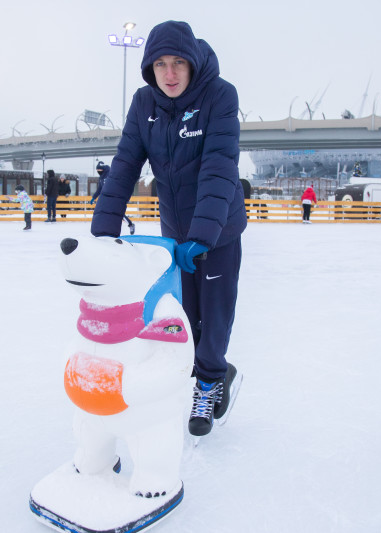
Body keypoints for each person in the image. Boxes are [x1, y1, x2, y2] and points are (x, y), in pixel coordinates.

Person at [90, 20, 245, 437]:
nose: (170, 73)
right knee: (182, 314)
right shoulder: (144, 104)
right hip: (175, 231)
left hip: (219, 230)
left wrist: (203, 236)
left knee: (214, 313)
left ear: (192, 63)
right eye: (160, 64)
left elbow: (218, 167)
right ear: (149, 68)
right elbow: (125, 165)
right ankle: (199, 372)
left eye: (178, 62)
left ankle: (210, 382)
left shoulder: (220, 95)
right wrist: (103, 230)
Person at [90, 161, 135, 235]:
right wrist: (93, 197)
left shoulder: (111, 174)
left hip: (114, 197)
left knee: (117, 213)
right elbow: (99, 189)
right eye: (97, 170)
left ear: (103, 169)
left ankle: (130, 224)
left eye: (99, 170)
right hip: (105, 198)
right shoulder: (101, 178)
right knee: (103, 213)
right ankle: (105, 229)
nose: (98, 172)